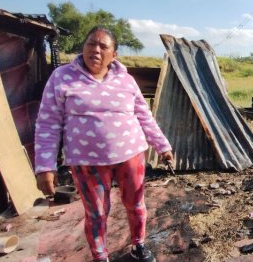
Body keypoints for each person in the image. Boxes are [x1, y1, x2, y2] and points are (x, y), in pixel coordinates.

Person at [34, 26, 173, 262]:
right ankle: (100, 256)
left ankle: (139, 244)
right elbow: (47, 123)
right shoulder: (62, 77)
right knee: (96, 213)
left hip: (131, 155)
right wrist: (44, 166)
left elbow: (144, 116)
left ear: (114, 54)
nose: (96, 49)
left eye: (103, 46)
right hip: (87, 161)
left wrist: (162, 146)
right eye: (91, 43)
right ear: (83, 47)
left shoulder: (126, 80)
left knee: (136, 204)